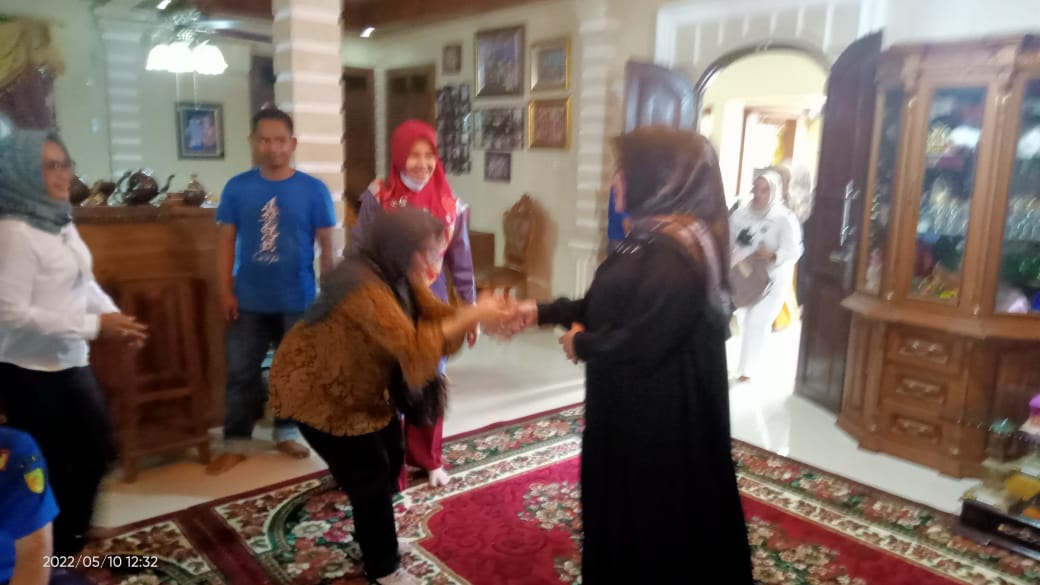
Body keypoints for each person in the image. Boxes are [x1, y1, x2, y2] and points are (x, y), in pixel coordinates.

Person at [505, 127, 755, 584]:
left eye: (624, 169)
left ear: (656, 176)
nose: (614, 179)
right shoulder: (649, 238)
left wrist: (580, 344)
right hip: (629, 411)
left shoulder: (676, 253)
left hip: (657, 426)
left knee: (650, 526)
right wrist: (541, 311)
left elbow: (643, 339)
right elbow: (605, 305)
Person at [269, 208, 513, 585]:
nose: (430, 263)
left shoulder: (396, 272)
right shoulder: (360, 283)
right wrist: (471, 315)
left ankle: (369, 526)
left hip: (359, 388)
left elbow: (435, 319)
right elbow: (414, 351)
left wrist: (477, 314)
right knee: (370, 472)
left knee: (389, 454)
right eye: (425, 252)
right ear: (400, 247)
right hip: (316, 392)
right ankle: (383, 568)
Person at [0, 126, 147, 558]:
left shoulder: (58, 220)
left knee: (94, 448)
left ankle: (75, 528)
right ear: (22, 172)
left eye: (65, 164)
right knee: (55, 460)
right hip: (29, 369)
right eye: (50, 166)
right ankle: (59, 548)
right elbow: (9, 312)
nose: (63, 174)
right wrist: (95, 327)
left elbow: (85, 281)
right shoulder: (15, 231)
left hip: (68, 358)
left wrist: (113, 317)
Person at [207, 108, 337, 474]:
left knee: (291, 372)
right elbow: (225, 242)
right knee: (240, 373)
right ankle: (235, 442)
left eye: (280, 140)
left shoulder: (314, 190)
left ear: (292, 144)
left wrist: (330, 297)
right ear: (253, 143)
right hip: (247, 300)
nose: (272, 147)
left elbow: (328, 245)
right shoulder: (237, 188)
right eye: (264, 140)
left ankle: (287, 432)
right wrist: (224, 290)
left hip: (298, 299)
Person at [351, 120, 476, 488]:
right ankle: (392, 467)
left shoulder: (451, 205)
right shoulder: (379, 196)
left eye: (429, 155)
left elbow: (462, 264)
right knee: (390, 384)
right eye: (413, 155)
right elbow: (359, 251)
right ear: (398, 156)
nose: (422, 164)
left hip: (431, 308)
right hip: (387, 303)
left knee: (428, 380)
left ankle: (428, 458)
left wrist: (470, 312)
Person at [730, 169, 803, 383]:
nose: (758, 194)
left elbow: (795, 249)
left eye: (765, 190)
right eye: (756, 188)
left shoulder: (783, 218)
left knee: (758, 321)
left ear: (773, 192)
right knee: (745, 319)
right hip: (745, 277)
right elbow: (728, 242)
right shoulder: (740, 215)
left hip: (772, 280)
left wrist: (773, 255)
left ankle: (747, 369)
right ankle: (746, 362)